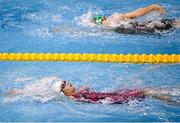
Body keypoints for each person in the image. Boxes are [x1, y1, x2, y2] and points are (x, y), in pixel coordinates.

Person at [59, 80, 179, 105]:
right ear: (62, 92)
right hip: (114, 99)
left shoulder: (79, 92)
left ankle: (174, 94)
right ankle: (174, 101)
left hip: (114, 94)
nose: (67, 82)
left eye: (65, 81)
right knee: (148, 92)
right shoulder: (73, 98)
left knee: (148, 89)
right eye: (64, 85)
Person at [93, 4, 180, 34]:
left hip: (145, 30)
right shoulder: (114, 20)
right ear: (104, 18)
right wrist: (152, 7)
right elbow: (133, 15)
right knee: (175, 24)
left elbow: (133, 16)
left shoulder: (110, 26)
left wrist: (152, 8)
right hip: (148, 27)